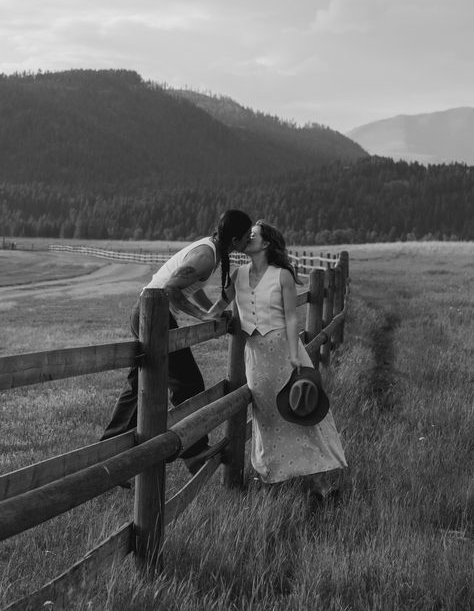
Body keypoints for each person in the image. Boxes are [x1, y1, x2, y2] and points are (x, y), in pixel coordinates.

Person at [101, 209, 252, 475]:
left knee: (139, 387)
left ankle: (110, 458)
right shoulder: (206, 256)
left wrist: (211, 311)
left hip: (149, 314)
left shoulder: (212, 250)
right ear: (236, 240)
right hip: (152, 315)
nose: (249, 241)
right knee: (188, 382)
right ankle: (194, 452)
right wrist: (202, 316)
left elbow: (192, 286)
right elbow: (171, 288)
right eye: (247, 237)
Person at [208, 220, 347, 495]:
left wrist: (296, 354)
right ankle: (272, 477)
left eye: (254, 235)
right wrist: (203, 313)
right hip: (257, 359)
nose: (248, 237)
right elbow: (218, 307)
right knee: (268, 417)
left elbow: (292, 317)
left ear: (266, 243)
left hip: (285, 352)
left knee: (300, 412)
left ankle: (321, 483)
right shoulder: (237, 275)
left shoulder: (282, 275)